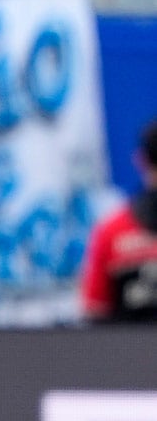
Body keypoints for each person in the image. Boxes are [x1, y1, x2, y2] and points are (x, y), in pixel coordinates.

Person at [81, 120, 157, 322]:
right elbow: (95, 312)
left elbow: (94, 312)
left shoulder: (111, 230)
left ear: (140, 160)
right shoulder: (111, 231)